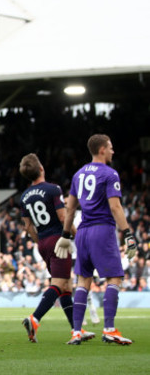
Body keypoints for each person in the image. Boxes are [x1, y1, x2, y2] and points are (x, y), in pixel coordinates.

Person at [55, 134, 137, 345]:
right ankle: (109, 328)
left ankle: (76, 331)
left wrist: (65, 235)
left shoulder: (78, 174)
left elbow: (70, 208)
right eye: (110, 147)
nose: (113, 151)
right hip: (102, 230)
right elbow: (115, 206)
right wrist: (128, 233)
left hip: (82, 233)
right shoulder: (110, 174)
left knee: (83, 280)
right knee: (114, 278)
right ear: (101, 150)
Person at [17, 153, 94, 343]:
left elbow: (28, 227)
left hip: (43, 242)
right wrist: (79, 237)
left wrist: (40, 242)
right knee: (59, 284)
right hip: (58, 241)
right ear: (41, 168)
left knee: (66, 286)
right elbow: (62, 217)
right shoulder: (53, 189)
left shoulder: (24, 197)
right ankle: (34, 319)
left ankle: (77, 330)